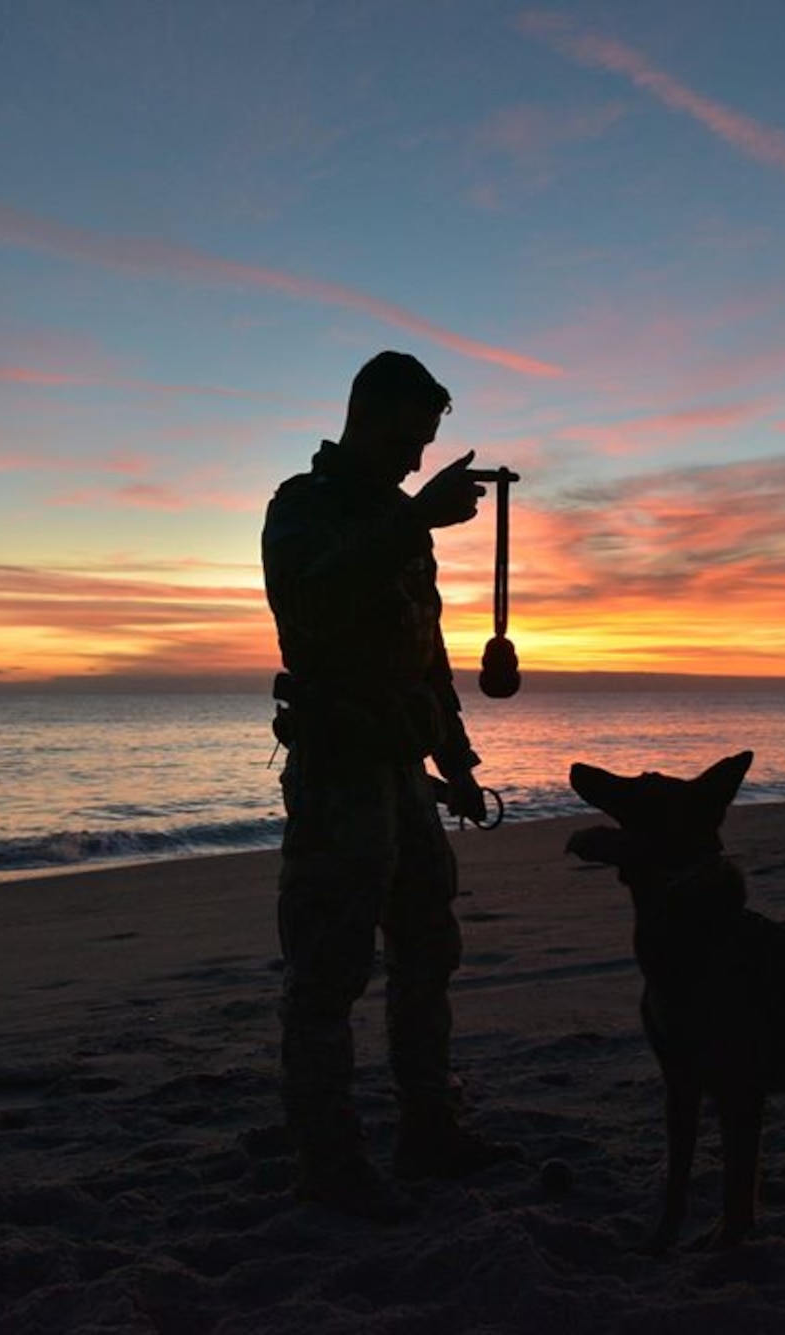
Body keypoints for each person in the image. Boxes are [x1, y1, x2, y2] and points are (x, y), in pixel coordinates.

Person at [261, 350, 518, 1220]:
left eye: (427, 445)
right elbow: (313, 608)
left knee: (426, 952)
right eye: (411, 439)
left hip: (403, 774)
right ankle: (328, 1163)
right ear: (368, 419)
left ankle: (428, 1129)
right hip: (338, 771)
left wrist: (457, 757)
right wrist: (413, 520)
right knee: (328, 971)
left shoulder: (396, 522)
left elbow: (427, 653)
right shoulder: (303, 508)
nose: (416, 460)